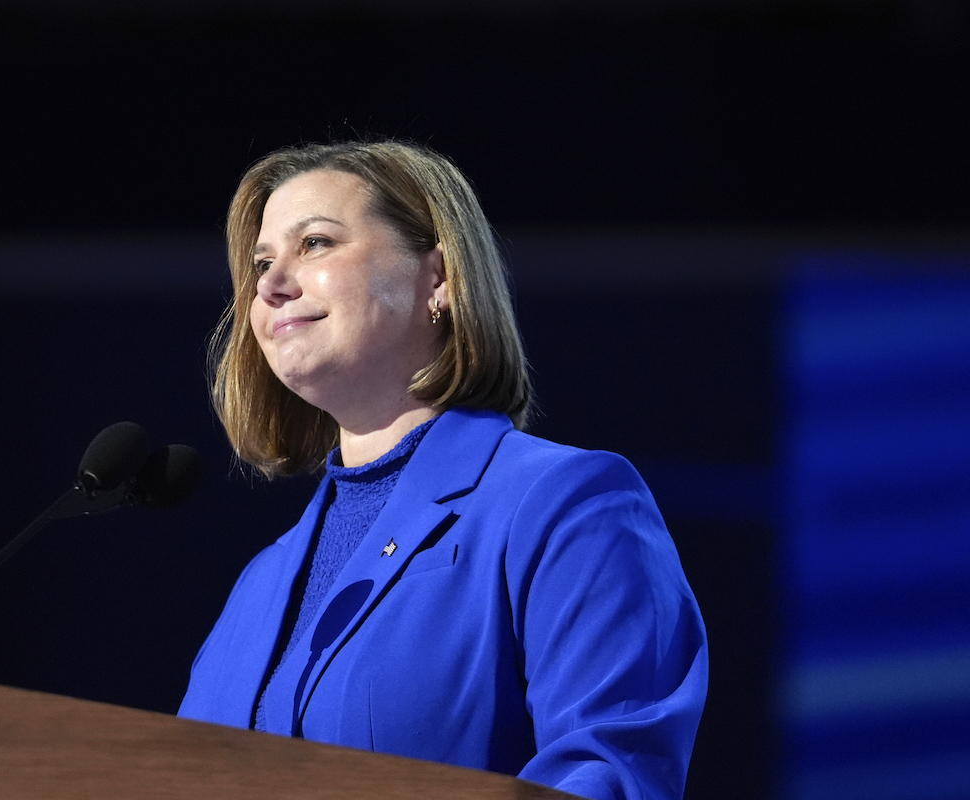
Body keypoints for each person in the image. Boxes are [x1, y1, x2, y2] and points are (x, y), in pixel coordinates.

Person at [177, 140, 708, 800]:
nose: (270, 285)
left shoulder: (564, 505)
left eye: (314, 244)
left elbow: (607, 776)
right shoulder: (258, 589)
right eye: (262, 263)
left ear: (438, 278)